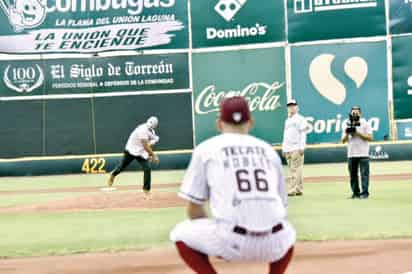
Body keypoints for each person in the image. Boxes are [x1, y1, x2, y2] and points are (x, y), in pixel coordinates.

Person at [170, 96, 296, 274]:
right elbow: (282, 205)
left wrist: (215, 242)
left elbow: (194, 210)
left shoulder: (206, 149)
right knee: (288, 232)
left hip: (232, 239)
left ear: (219, 124)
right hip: (274, 241)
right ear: (250, 122)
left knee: (180, 232)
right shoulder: (268, 151)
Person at [107, 116, 160, 199]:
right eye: (149, 125)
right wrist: (153, 155)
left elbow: (154, 139)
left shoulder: (152, 131)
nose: (149, 126)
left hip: (140, 153)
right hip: (131, 150)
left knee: (147, 168)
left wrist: (154, 141)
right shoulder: (142, 130)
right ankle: (113, 175)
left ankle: (146, 191)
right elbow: (146, 146)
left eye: (151, 126)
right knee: (121, 167)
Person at [342, 106, 373, 199]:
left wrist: (358, 133)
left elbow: (370, 138)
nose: (355, 114)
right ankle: (355, 193)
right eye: (353, 113)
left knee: (364, 174)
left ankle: (364, 193)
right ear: (350, 113)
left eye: (356, 113)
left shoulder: (365, 123)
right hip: (351, 153)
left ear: (360, 113)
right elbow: (343, 140)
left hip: (363, 153)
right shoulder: (346, 123)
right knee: (353, 175)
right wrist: (348, 133)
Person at [281, 99, 308, 196]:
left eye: (293, 105)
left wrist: (302, 147)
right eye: (289, 106)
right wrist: (284, 148)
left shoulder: (300, 118)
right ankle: (299, 189)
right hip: (288, 148)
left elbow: (303, 133)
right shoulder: (287, 120)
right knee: (295, 169)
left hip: (296, 147)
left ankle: (292, 189)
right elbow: (285, 135)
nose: (291, 107)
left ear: (297, 107)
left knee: (295, 169)